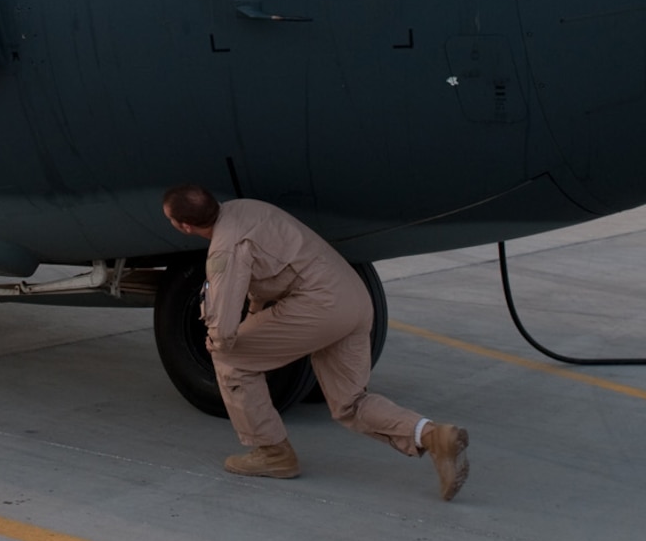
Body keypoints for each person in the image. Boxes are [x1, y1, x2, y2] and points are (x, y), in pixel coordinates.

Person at [161, 184, 470, 500]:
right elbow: (262, 278)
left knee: (230, 359)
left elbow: (224, 331)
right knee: (350, 403)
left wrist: (216, 341)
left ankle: (273, 453)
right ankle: (434, 436)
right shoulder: (246, 208)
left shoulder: (225, 249)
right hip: (353, 298)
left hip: (318, 307)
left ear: (185, 227)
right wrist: (253, 319)